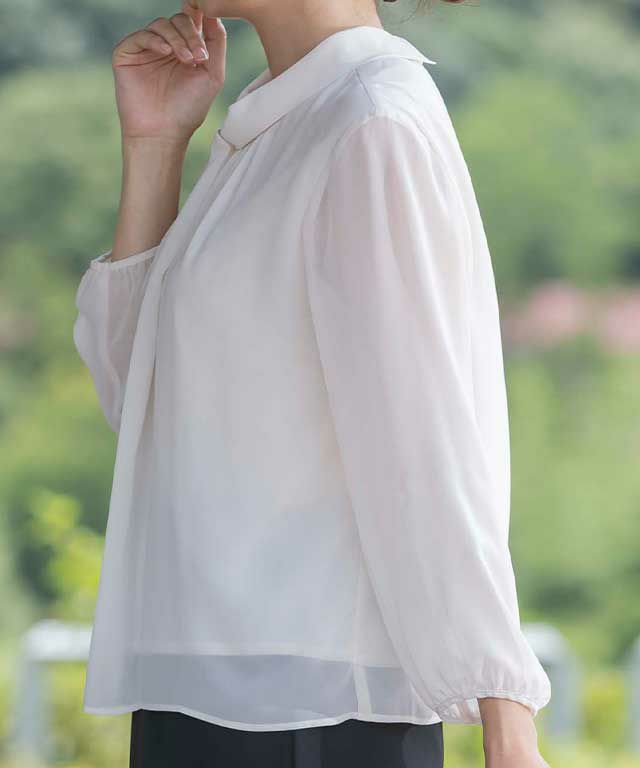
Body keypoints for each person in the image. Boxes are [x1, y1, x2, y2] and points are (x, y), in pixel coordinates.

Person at [72, 1, 552, 766]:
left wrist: (507, 718)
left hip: (317, 713)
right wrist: (155, 145)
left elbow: (422, 441)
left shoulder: (371, 123)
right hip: (209, 697)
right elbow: (147, 409)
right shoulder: (281, 124)